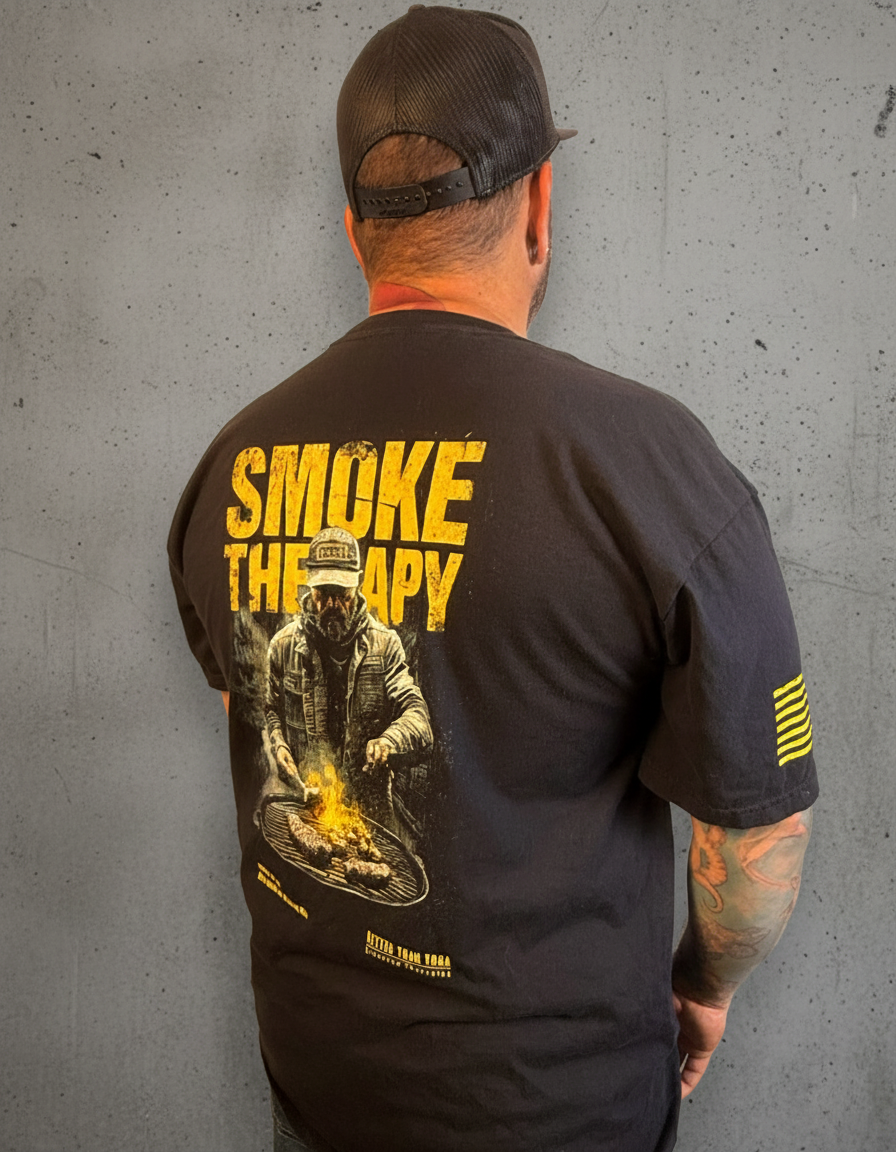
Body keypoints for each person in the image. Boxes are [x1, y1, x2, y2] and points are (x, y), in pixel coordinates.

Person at [168, 6, 818, 1151]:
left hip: (322, 1086)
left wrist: (374, 752)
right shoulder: (647, 464)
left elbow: (253, 717)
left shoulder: (233, 464)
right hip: (554, 1105)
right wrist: (702, 982)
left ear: (354, 231)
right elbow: (756, 834)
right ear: (538, 204)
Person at [265, 525, 433, 840]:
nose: (332, 605)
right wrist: (279, 744)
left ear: (357, 586)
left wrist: (389, 741)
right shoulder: (282, 646)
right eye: (323, 594)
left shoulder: (385, 646)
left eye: (342, 595)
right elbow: (270, 709)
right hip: (308, 807)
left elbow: (418, 718)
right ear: (309, 588)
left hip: (370, 816)